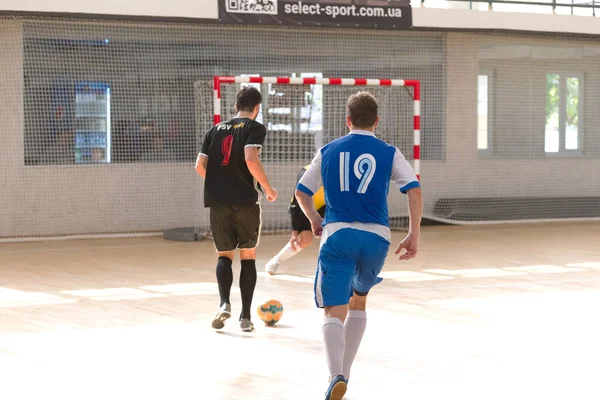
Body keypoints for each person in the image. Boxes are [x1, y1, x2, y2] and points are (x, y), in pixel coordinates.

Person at [294, 91, 423, 400]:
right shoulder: (389, 152)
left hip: (338, 235)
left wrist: (314, 218)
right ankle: (345, 376)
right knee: (359, 301)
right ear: (376, 122)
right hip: (377, 238)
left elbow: (301, 191)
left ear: (347, 120)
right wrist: (413, 234)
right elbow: (414, 189)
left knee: (333, 311)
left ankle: (336, 375)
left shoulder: (327, 150)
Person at [195, 86, 278, 332]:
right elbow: (251, 158)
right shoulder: (255, 128)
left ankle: (224, 303)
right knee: (248, 255)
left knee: (224, 255)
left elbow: (200, 166)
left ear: (235, 107)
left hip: (217, 202)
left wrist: (220, 184)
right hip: (245, 201)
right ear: (257, 108)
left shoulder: (214, 130)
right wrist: (268, 188)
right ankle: (245, 317)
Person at [264, 165, 326, 275]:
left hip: (326, 207)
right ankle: (276, 261)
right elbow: (297, 202)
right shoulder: (307, 172)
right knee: (304, 240)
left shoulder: (340, 171)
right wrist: (294, 232)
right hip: (304, 207)